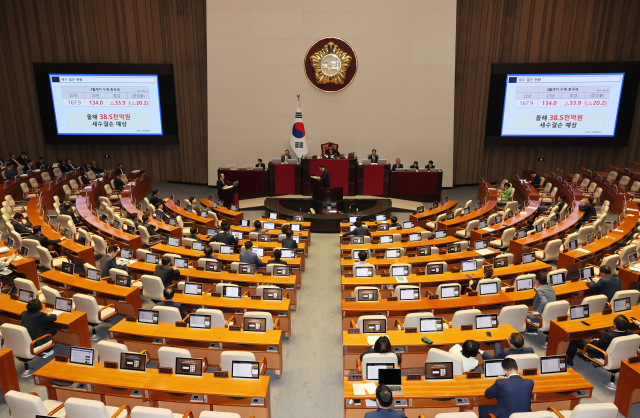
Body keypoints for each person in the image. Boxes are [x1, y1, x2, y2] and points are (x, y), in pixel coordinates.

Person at [566, 315, 631, 367]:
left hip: (601, 353)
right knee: (599, 334)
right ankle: (583, 356)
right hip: (620, 354)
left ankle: (569, 358)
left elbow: (596, 345)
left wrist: (594, 341)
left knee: (575, 339)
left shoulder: (609, 336)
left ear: (615, 325)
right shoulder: (630, 333)